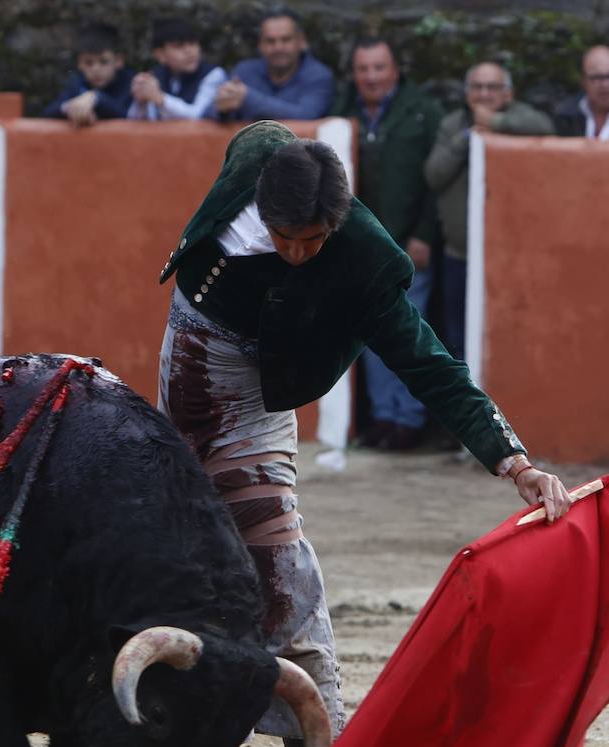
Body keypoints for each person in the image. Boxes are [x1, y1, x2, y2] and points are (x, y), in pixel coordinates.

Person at [156, 121, 572, 747]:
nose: (295, 253)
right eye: (285, 235)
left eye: (312, 241)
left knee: (282, 574)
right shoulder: (256, 153)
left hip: (254, 402)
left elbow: (431, 365)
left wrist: (514, 459)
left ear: (337, 223)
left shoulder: (364, 262)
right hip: (184, 362)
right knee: (192, 578)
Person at [329, 37, 441, 451]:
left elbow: (436, 184)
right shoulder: (342, 109)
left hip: (409, 244)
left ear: (395, 69)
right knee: (372, 335)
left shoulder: (422, 111)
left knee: (411, 334)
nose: (372, 77)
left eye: (379, 68)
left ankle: (408, 419)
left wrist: (425, 234)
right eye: (364, 69)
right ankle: (383, 419)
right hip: (362, 246)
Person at [424, 62, 553, 364]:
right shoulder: (452, 124)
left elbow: (545, 128)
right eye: (477, 87)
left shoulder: (521, 117)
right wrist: (469, 137)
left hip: (512, 256)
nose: (484, 94)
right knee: (456, 340)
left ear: (508, 93)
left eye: (492, 87)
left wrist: (495, 123)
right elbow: (434, 174)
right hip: (459, 255)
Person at [209, 10, 334, 121]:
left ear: (301, 41)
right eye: (270, 41)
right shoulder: (245, 71)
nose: (278, 47)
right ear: (260, 45)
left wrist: (247, 98)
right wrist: (222, 109)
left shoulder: (318, 76)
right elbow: (207, 113)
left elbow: (307, 115)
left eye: (286, 39)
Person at [128, 18, 227, 121]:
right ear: (160, 55)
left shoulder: (213, 74)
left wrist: (160, 98)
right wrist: (140, 101)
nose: (189, 51)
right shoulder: (156, 75)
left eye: (192, 43)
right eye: (179, 46)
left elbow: (199, 116)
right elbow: (137, 122)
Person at [42, 22, 136, 127]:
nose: (96, 69)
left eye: (103, 62)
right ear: (79, 64)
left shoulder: (131, 84)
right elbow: (49, 113)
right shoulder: (78, 83)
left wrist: (96, 98)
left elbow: (126, 114)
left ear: (119, 60)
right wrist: (71, 108)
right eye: (88, 63)